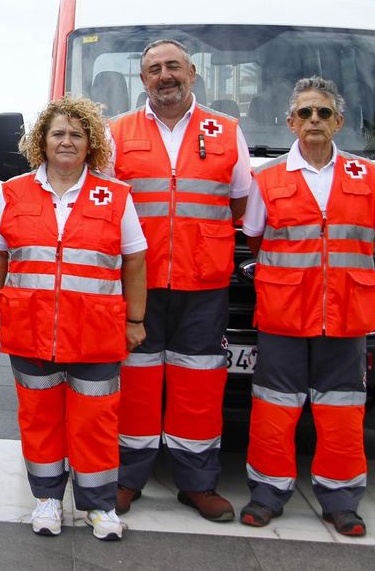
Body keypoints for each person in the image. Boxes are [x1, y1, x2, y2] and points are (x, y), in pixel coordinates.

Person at [0, 97, 147, 541]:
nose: (67, 141)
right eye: (58, 133)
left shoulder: (114, 195)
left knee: (95, 420)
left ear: (91, 142)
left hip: (95, 331)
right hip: (30, 328)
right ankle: (48, 499)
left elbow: (135, 259)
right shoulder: (14, 191)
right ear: (42, 141)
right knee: (39, 417)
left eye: (77, 133)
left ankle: (98, 506)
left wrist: (135, 319)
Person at [238, 77, 375, 537]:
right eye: (304, 113)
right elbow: (254, 236)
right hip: (285, 314)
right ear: (290, 123)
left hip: (345, 316)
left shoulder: (365, 177)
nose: (314, 121)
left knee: (343, 410)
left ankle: (341, 501)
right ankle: (266, 495)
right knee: (273, 407)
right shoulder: (266, 180)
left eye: (323, 113)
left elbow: (373, 236)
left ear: (338, 121)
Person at [107, 39, 250, 522]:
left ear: (192, 72)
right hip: (138, 284)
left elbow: (238, 204)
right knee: (136, 383)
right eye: (153, 69)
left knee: (199, 385)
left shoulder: (227, 131)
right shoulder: (117, 133)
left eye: (173, 67)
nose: (164, 76)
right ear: (142, 79)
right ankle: (127, 478)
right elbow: (106, 205)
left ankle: (197, 483)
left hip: (203, 285)